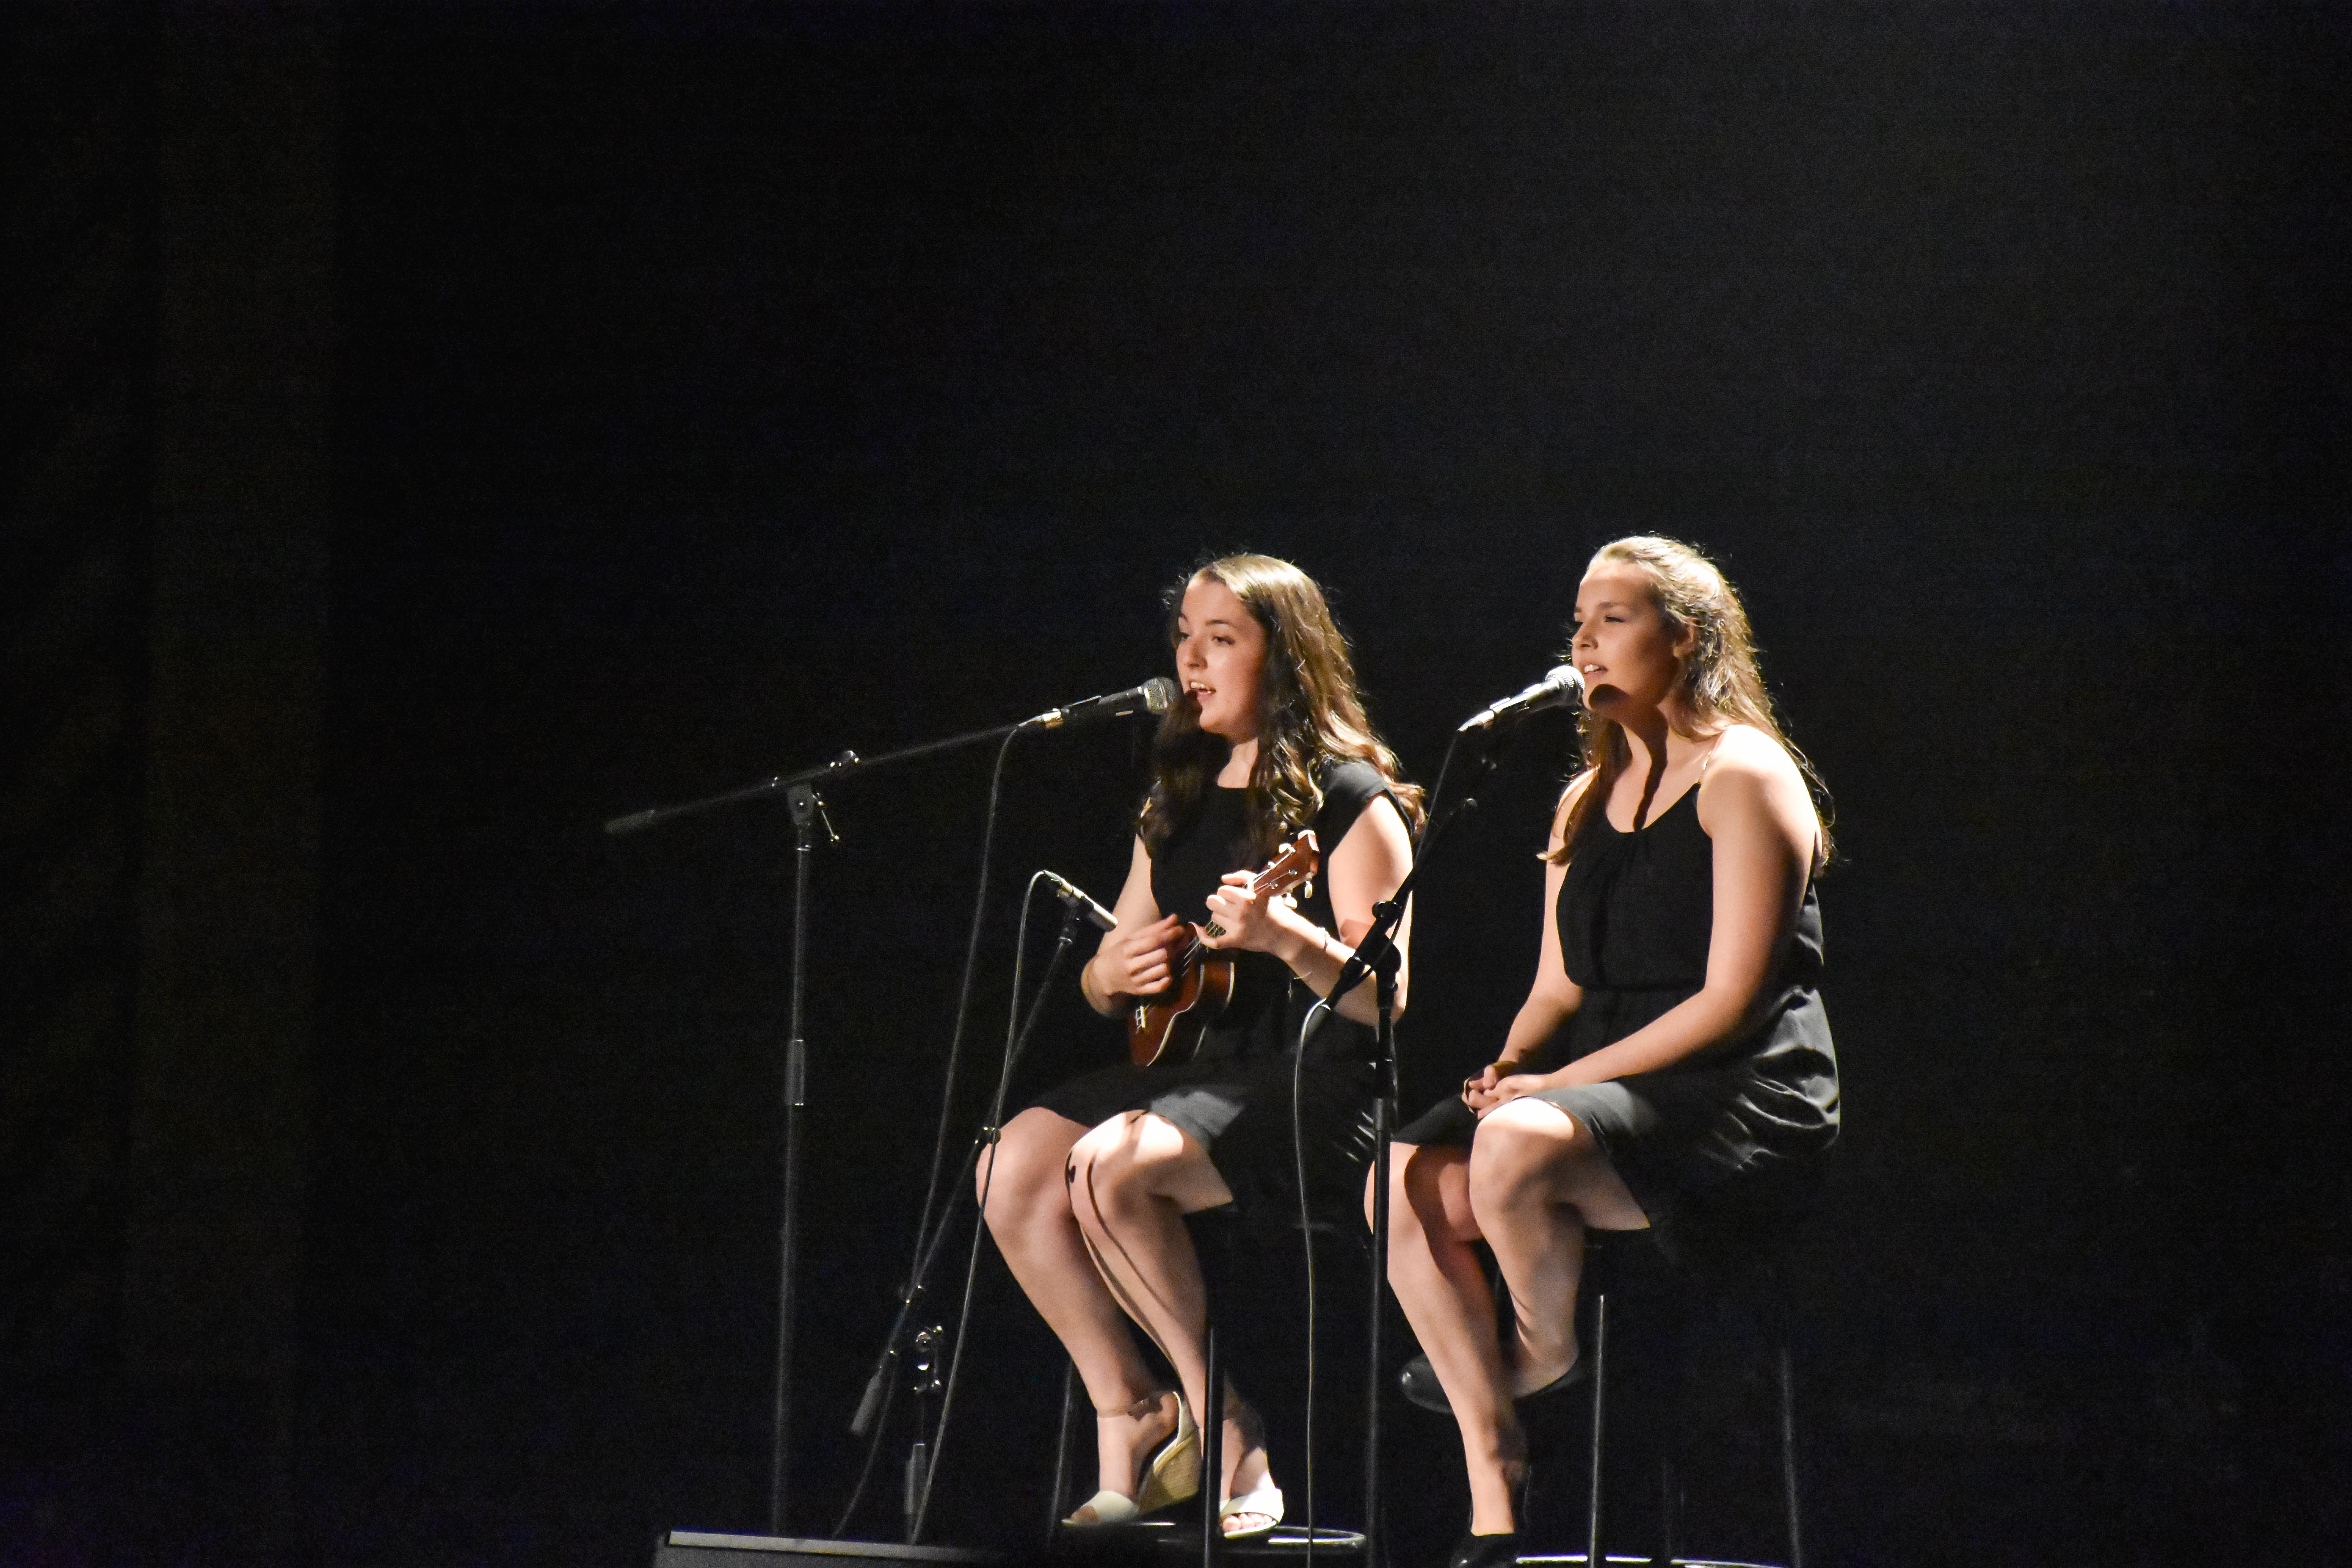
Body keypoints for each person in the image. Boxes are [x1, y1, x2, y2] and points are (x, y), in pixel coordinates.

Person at [1376, 536, 1839, 1568]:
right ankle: (1493, 1471)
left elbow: (1730, 1000)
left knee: (1513, 1148)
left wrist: (1553, 1086)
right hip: (1597, 1089)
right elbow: (1558, 986)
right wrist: (1510, 1065)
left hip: (1733, 1096)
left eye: (1613, 620)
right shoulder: (1585, 798)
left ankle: (1542, 1358)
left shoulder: (1745, 775)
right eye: (1578, 623)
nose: (1583, 643)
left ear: (1687, 638)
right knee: (1398, 1178)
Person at [977, 553, 1420, 1539]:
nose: (1192, 659)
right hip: (1190, 1072)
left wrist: (1286, 936)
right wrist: (1109, 973)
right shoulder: (1176, 792)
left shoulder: (1351, 798)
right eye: (1186, 636)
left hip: (1312, 1080)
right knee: (1008, 1166)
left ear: (1287, 658)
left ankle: (1227, 1425)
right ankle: (1131, 1408)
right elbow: (1111, 966)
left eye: (1222, 639)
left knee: (1110, 1165)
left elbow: (1387, 997)